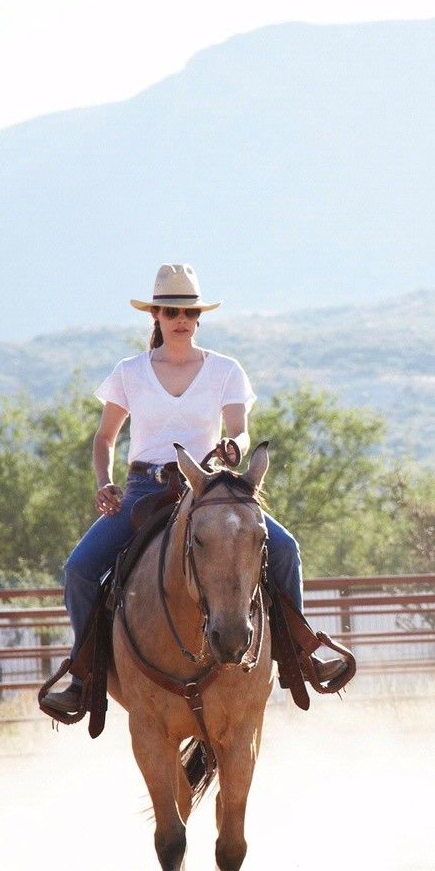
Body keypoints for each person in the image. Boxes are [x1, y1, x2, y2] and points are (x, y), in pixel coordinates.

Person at [42, 263, 342, 717]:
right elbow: (104, 439)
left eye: (188, 312)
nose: (180, 320)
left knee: (285, 549)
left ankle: (299, 654)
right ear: (156, 317)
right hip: (144, 489)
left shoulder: (225, 370)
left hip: (208, 487)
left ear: (198, 318)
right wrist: (104, 482)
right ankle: (85, 678)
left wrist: (234, 447)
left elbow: (241, 430)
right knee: (80, 570)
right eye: (170, 312)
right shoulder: (130, 372)